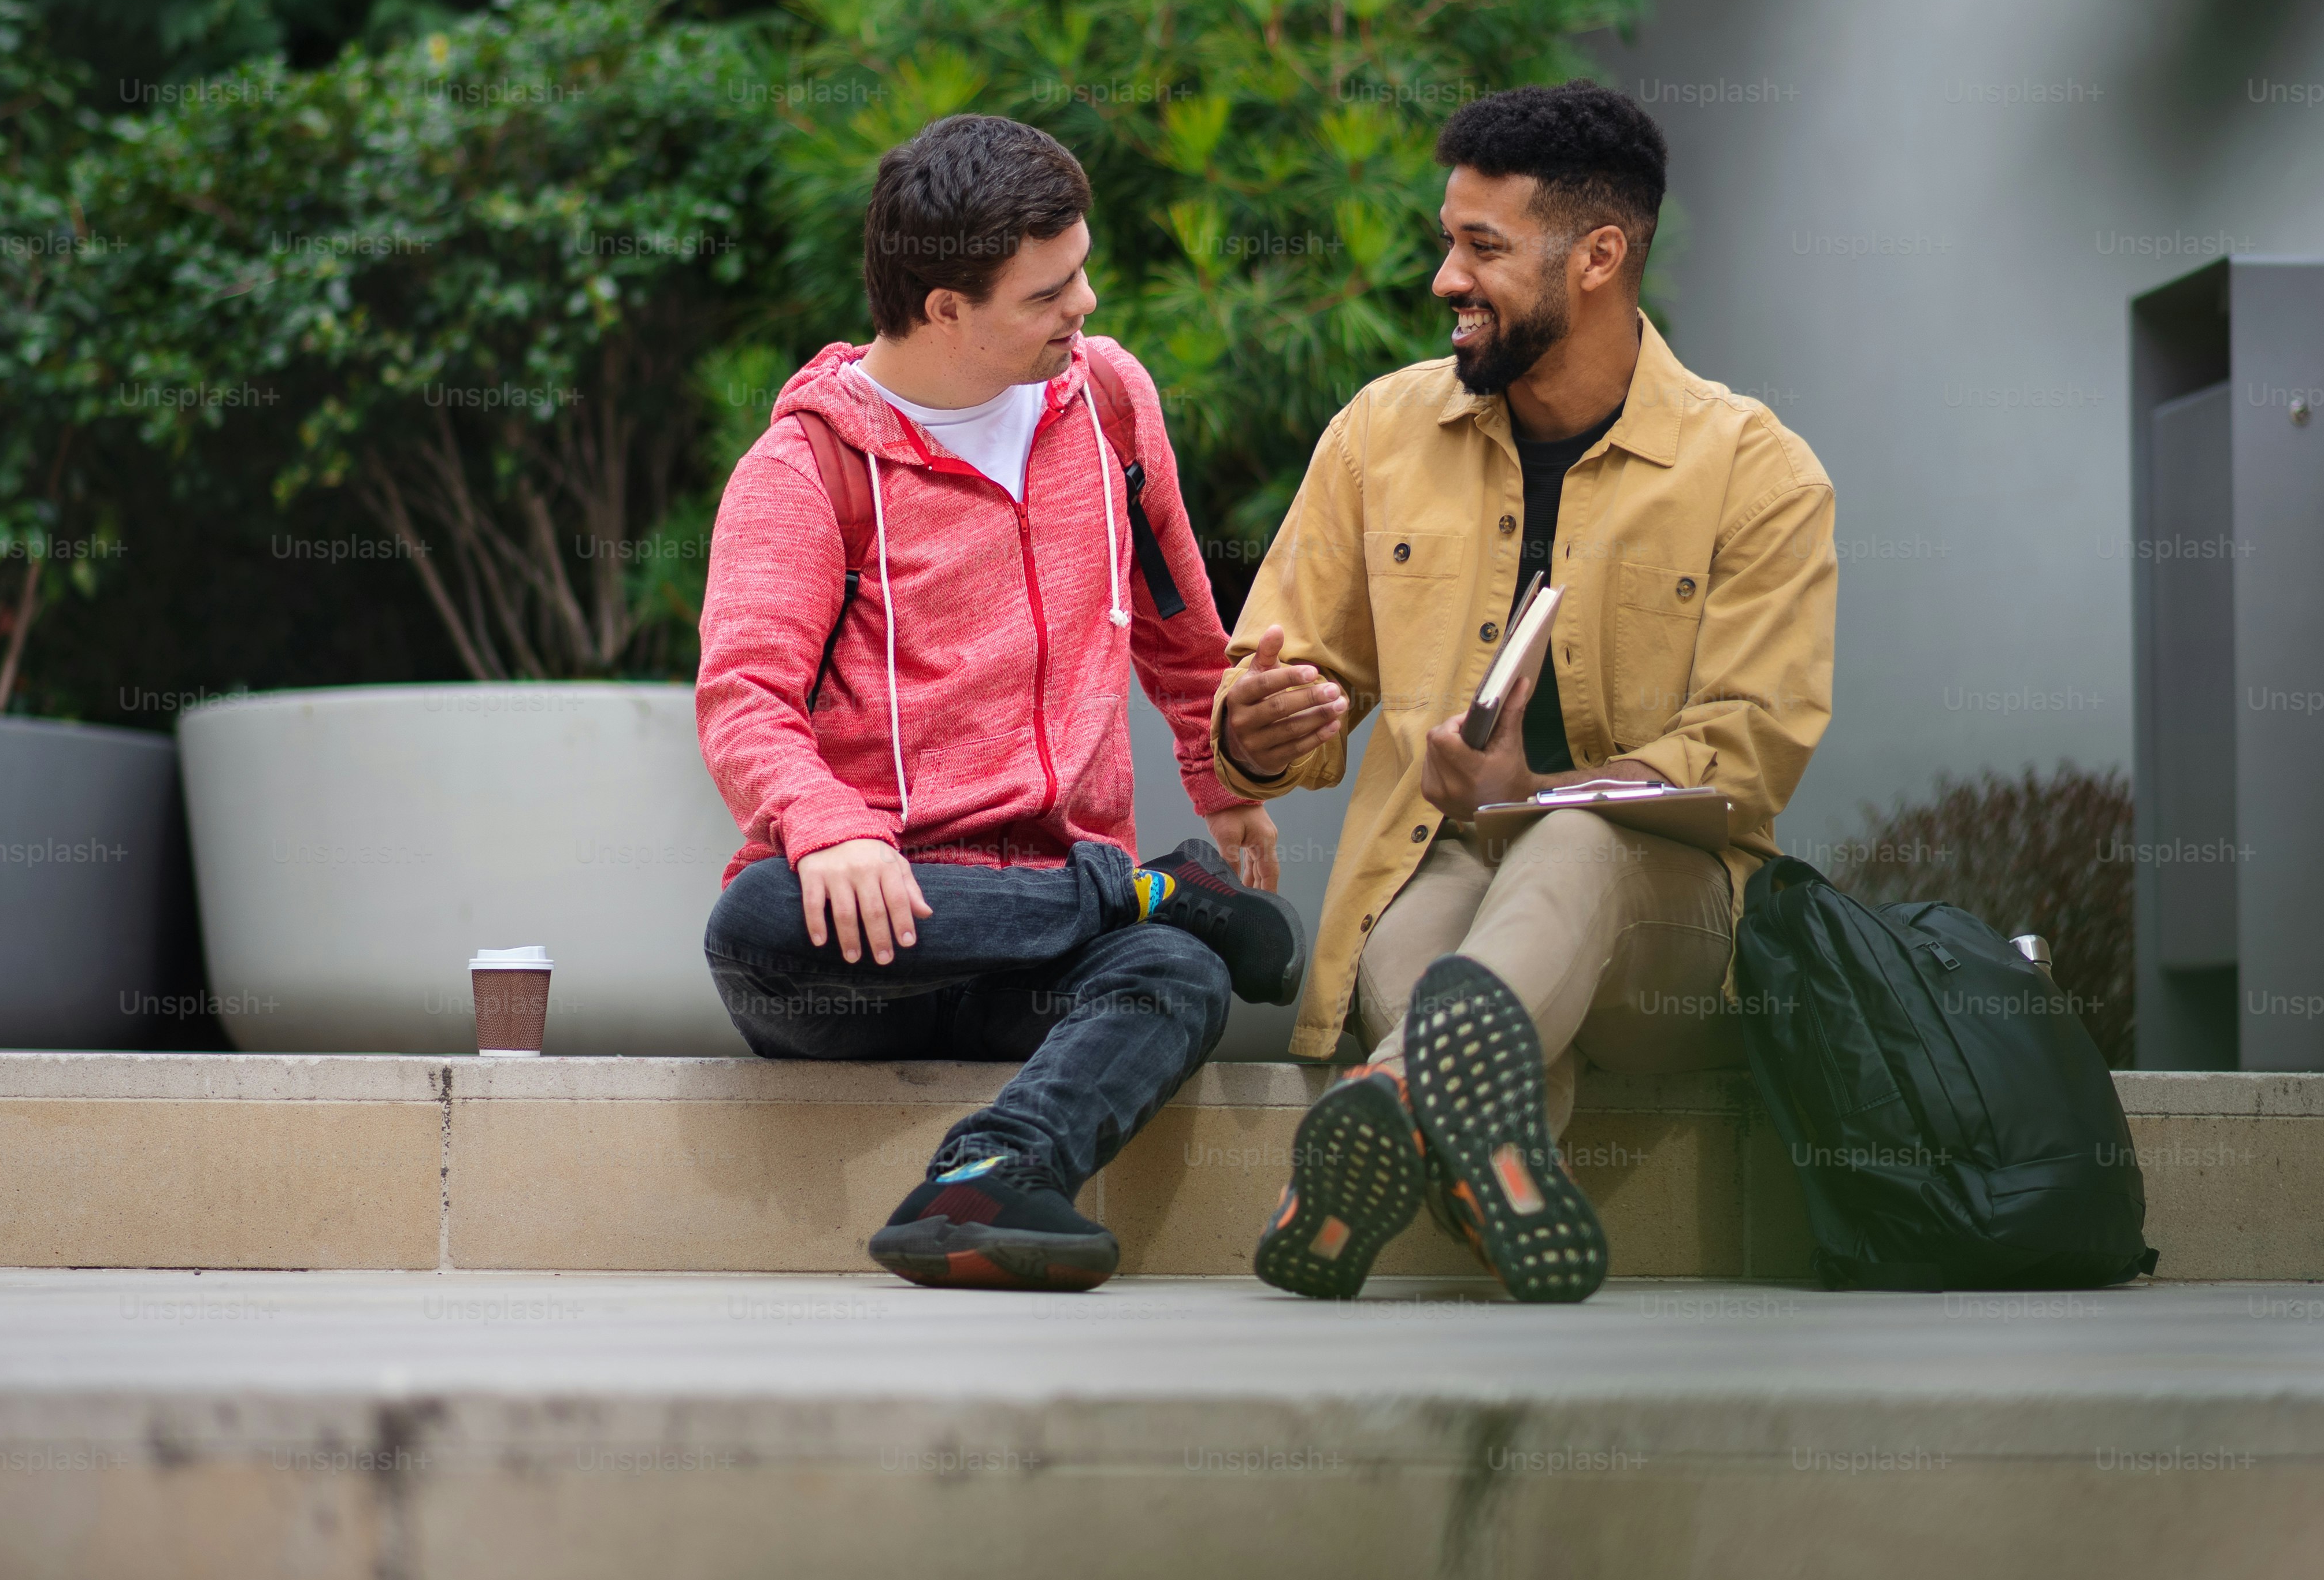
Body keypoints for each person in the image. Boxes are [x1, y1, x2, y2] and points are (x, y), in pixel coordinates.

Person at [1211, 81, 1837, 1304]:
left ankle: (1389, 1092)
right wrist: (1253, 728)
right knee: (1430, 933)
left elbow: (1752, 745)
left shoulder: (1755, 468)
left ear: (1599, 255)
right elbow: (1279, 682)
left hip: (1660, 927)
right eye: (1451, 238)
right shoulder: (1381, 431)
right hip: (1437, 867)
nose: (1447, 275)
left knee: (1576, 844)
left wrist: (1535, 789)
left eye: (1482, 246)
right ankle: (1481, 1149)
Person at [696, 112, 1304, 1293]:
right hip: (879, 931)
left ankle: (988, 1175)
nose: (1083, 306)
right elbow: (743, 701)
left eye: (1080, 272)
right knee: (757, 923)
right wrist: (831, 827)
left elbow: (1179, 611)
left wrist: (1223, 782)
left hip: (1037, 941)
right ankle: (1143, 889)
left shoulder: (1110, 402)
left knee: (1179, 975)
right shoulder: (804, 470)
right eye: (1047, 292)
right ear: (943, 307)